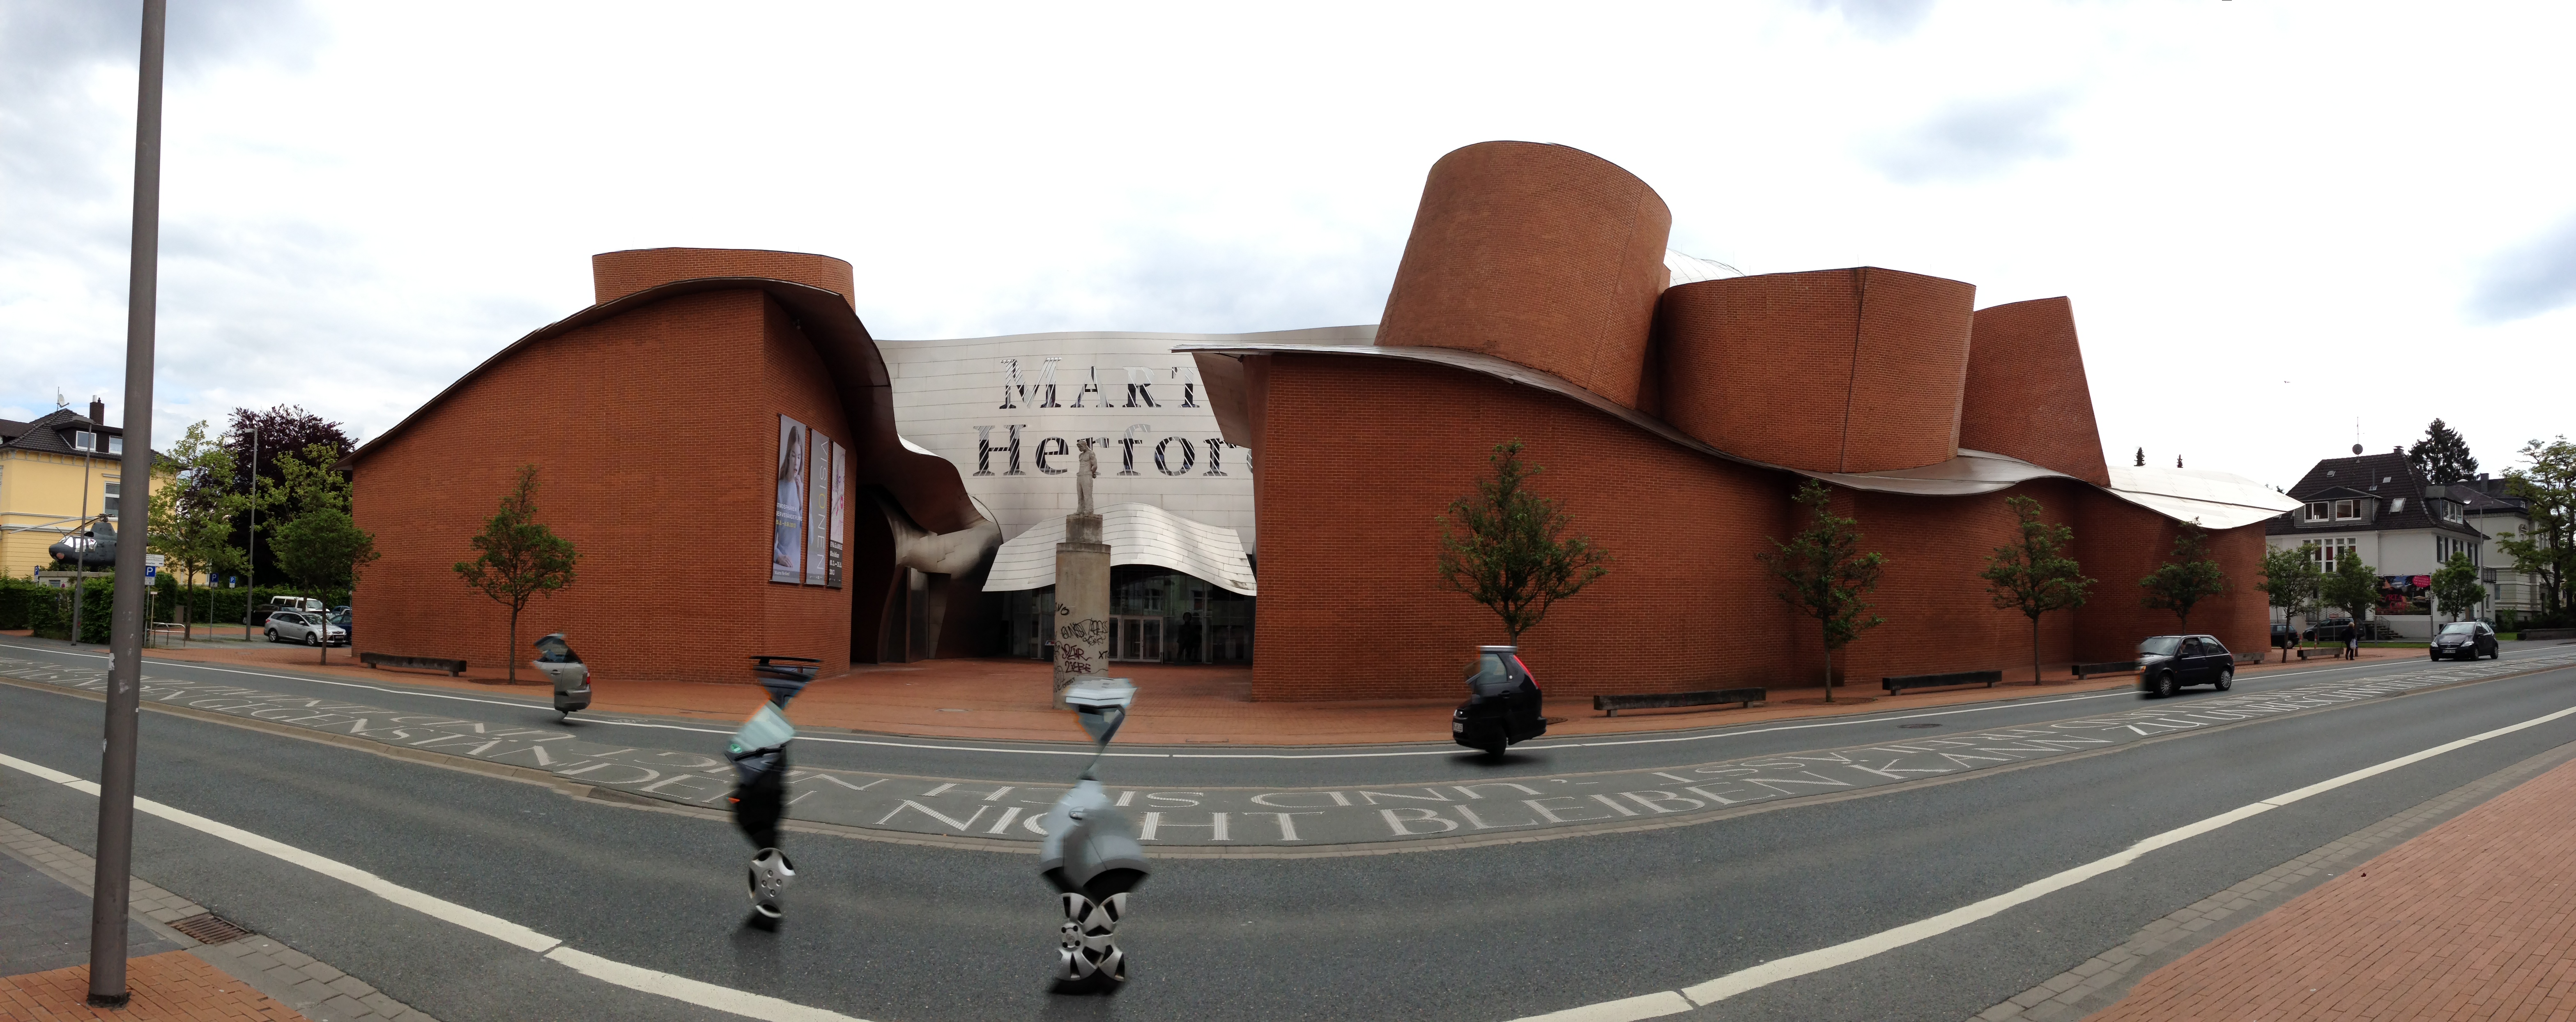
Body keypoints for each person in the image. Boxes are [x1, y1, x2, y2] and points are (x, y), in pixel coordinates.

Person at [728, 657, 816, 924]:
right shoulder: (775, 718)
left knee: (765, 846)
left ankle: (769, 904)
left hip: (763, 796)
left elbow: (747, 755)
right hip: (772, 795)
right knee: (767, 846)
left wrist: (744, 789)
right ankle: (768, 903)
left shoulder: (771, 720)